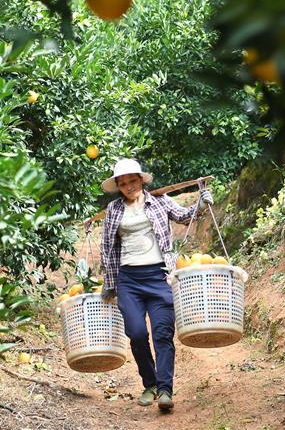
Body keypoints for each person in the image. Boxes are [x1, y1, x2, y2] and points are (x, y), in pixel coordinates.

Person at [98, 158, 213, 412]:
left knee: (162, 334)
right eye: (123, 183)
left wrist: (201, 202)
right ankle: (149, 384)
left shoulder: (160, 201)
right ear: (118, 186)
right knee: (137, 334)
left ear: (141, 179)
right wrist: (109, 283)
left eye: (132, 181)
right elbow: (107, 247)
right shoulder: (114, 210)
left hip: (160, 277)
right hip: (129, 280)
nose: (129, 186)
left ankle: (164, 390)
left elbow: (185, 216)